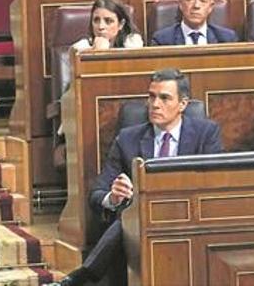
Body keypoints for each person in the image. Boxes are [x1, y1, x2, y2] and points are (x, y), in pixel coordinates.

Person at [53, 68, 223, 286]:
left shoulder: (206, 133)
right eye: (151, 96)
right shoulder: (128, 139)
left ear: (183, 104)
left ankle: (80, 279)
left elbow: (215, 182)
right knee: (129, 217)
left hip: (190, 215)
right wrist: (113, 198)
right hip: (142, 221)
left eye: (164, 98)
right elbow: (97, 193)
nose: (155, 104)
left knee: (128, 220)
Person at [150, 0, 238, 45]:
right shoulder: (162, 40)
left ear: (210, 6)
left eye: (203, 0)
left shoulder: (227, 39)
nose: (196, 6)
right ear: (181, 4)